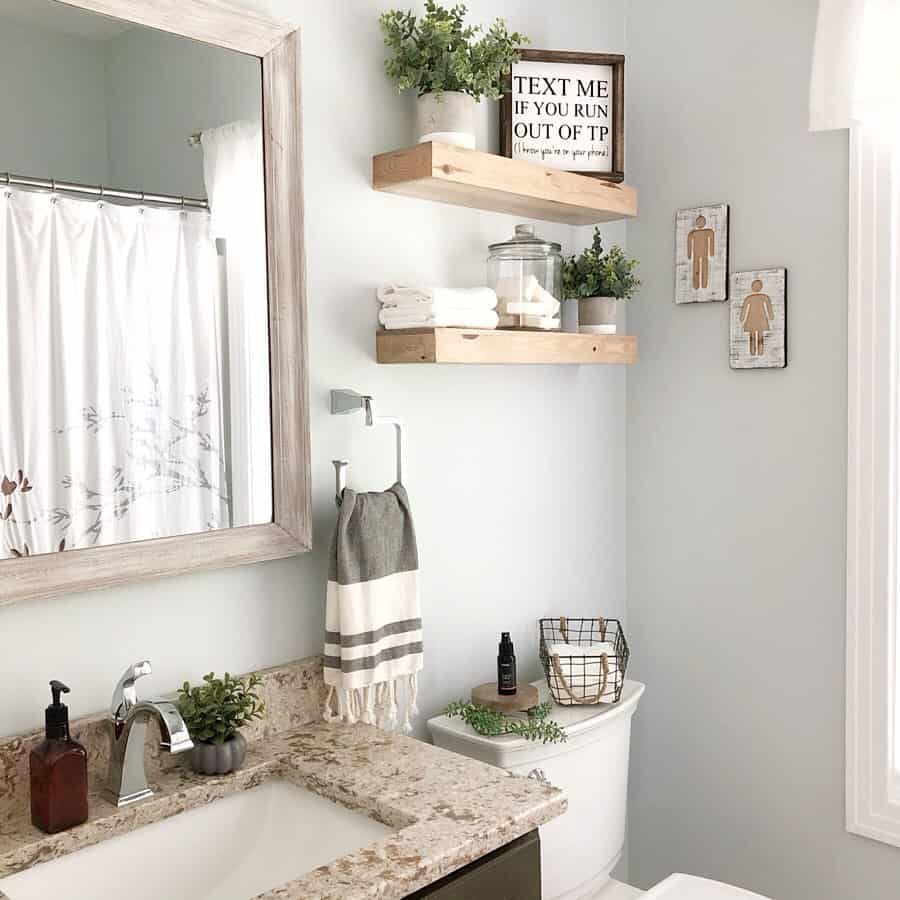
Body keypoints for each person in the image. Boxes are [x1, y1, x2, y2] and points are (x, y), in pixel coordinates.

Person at [740, 279, 774, 356]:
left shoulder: (764, 297)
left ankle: (760, 352)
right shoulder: (750, 298)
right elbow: (744, 308)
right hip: (752, 318)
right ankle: (753, 352)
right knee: (752, 336)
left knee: (760, 336)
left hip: (760, 318)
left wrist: (771, 316)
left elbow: (769, 307)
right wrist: (742, 317)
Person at [687, 214, 715, 290]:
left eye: (701, 221)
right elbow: (689, 243)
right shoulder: (693, 233)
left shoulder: (708, 232)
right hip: (696, 253)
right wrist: (689, 254)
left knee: (704, 268)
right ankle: (696, 285)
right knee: (696, 267)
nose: (700, 223)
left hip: (704, 253)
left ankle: (704, 284)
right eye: (698, 221)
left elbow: (712, 241)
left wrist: (711, 252)